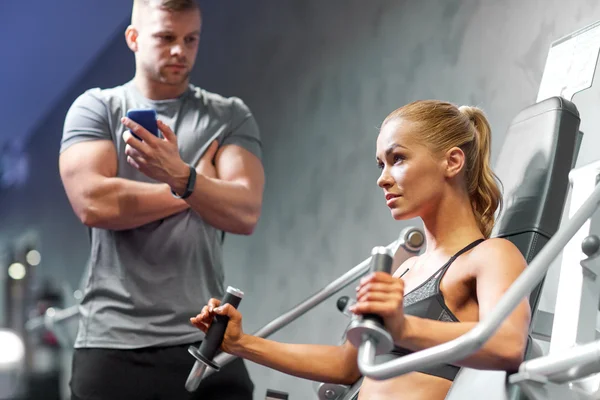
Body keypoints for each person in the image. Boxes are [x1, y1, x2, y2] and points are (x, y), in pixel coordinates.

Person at [191, 100, 532, 400]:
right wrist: (240, 343)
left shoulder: (491, 255)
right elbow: (346, 365)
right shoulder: (405, 270)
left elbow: (507, 345)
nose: (382, 178)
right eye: (380, 164)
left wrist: (402, 329)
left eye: (397, 159)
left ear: (452, 162)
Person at [59, 0, 264, 399]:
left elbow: (245, 211)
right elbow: (94, 203)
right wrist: (194, 184)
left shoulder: (229, 116)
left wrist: (179, 174)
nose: (179, 51)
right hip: (113, 344)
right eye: (166, 38)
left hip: (206, 336)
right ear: (134, 39)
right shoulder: (97, 108)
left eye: (190, 39)